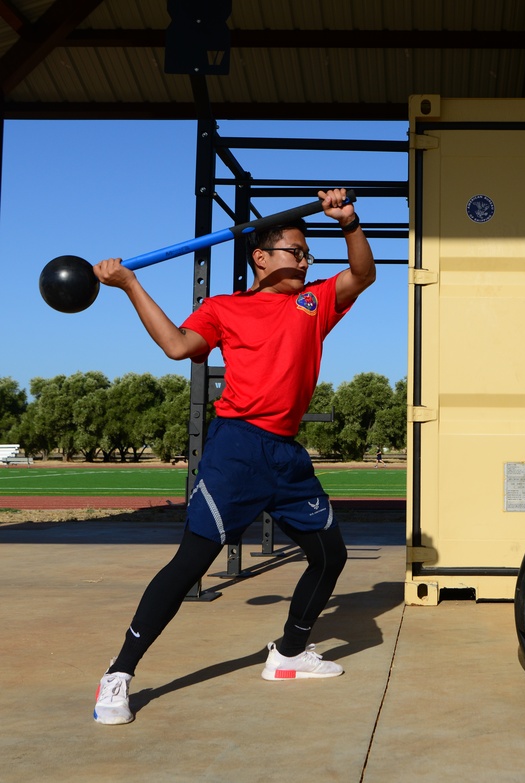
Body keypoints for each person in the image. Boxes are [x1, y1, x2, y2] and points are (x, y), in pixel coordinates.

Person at [91, 188, 374, 725]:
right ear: (261, 258)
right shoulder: (226, 308)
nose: (305, 259)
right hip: (237, 449)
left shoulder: (312, 304)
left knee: (329, 555)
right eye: (296, 250)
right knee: (191, 563)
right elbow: (177, 345)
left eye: (308, 252)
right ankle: (119, 673)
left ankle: (288, 654)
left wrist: (350, 222)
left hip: (287, 454)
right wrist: (130, 284)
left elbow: (362, 274)